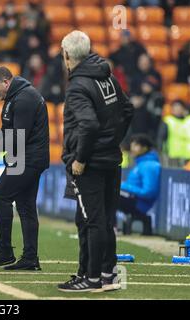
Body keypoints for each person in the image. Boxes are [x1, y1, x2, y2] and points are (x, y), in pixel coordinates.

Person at [58, 31, 134, 292]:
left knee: (92, 220)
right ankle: (107, 275)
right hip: (111, 159)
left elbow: (88, 124)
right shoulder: (108, 77)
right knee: (103, 220)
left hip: (89, 164)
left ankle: (90, 279)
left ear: (67, 55)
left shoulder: (78, 86)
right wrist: (113, 140)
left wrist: (80, 158)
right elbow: (128, 109)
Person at [0, 66, 49, 270]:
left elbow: (18, 137)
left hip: (28, 159)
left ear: (6, 82)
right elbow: (8, 130)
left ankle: (5, 251)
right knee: (26, 207)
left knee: (0, 195)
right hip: (27, 158)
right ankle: (29, 258)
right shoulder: (17, 97)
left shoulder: (24, 99)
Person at [120, 134, 161, 236]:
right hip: (133, 199)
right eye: (132, 145)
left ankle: (111, 228)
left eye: (135, 146)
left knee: (110, 193)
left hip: (139, 204)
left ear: (144, 148)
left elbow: (149, 191)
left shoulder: (150, 165)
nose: (132, 148)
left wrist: (123, 186)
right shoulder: (140, 164)